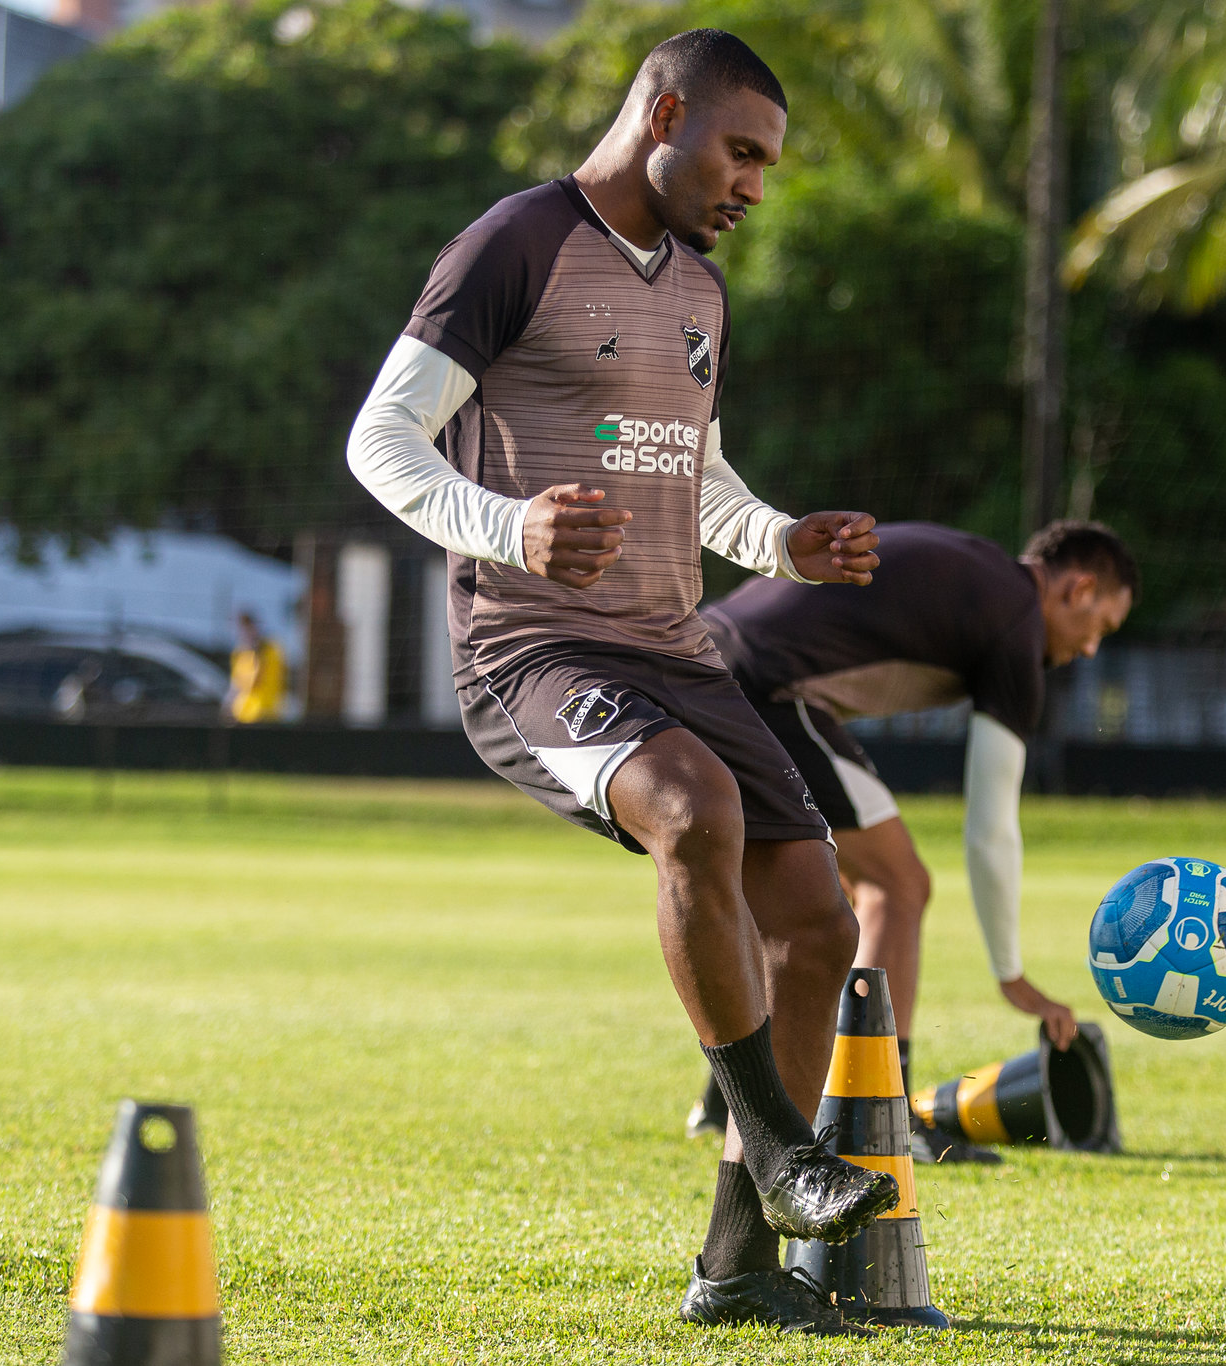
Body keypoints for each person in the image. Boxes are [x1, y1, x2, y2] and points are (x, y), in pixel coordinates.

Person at [344, 30, 898, 1336]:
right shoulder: (515, 243)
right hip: (531, 649)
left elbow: (686, 469)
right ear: (662, 111)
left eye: (765, 162)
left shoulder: (701, 287)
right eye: (741, 151)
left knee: (819, 920)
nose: (754, 185)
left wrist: (780, 541)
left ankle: (739, 1267)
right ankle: (775, 1142)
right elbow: (380, 439)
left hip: (677, 650)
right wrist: (509, 524)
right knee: (691, 812)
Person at [683, 519, 1136, 1164]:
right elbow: (991, 823)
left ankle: (732, 1101)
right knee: (895, 883)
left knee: (808, 896)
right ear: (1079, 588)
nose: (1092, 649)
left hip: (701, 657)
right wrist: (1012, 975)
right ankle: (872, 1117)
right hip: (764, 684)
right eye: (1103, 627)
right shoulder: (1017, 621)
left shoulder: (982, 570)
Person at [225, 611, 287, 723]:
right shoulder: (240, 653)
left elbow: (256, 681)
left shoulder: (270, 650)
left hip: (266, 714)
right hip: (243, 715)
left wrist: (259, 655)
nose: (245, 633)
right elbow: (236, 685)